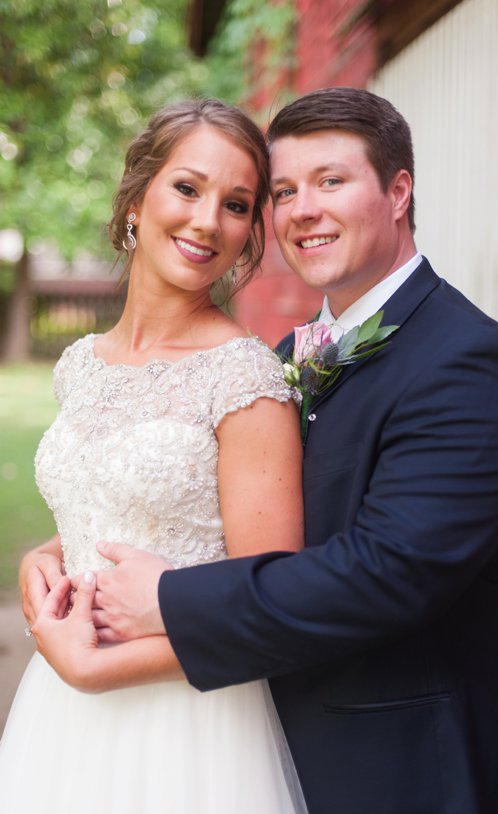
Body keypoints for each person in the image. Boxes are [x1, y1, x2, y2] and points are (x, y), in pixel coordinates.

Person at [24, 87, 498, 814]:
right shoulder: (291, 354)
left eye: (331, 181)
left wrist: (168, 600)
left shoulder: (466, 360)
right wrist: (55, 551)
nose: (302, 210)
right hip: (281, 738)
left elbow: (388, 575)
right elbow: (206, 503)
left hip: (413, 769)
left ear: (398, 192)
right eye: (285, 191)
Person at [1, 99, 308, 813]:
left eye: (236, 205)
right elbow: (113, 505)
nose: (208, 221)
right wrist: (45, 554)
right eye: (188, 188)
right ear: (137, 196)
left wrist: (92, 671)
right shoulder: (81, 364)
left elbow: (272, 606)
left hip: (185, 725)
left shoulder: (245, 379)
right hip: (61, 718)